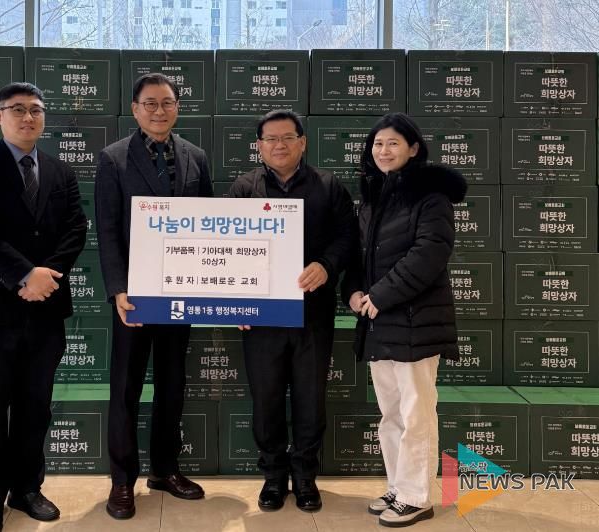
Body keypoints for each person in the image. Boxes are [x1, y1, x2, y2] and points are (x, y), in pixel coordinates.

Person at [0, 82, 87, 532]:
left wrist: (47, 276)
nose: (28, 117)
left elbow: (75, 230)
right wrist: (24, 275)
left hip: (45, 308)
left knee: (35, 405)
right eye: (17, 109)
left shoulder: (61, 172)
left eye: (36, 109)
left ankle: (28, 489)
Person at [95, 73, 213, 520]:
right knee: (125, 387)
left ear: (177, 107)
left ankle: (165, 470)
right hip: (135, 295)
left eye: (167, 102)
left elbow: (207, 223)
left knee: (172, 384)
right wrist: (117, 289)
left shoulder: (196, 157)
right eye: (150, 103)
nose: (159, 111)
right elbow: (107, 230)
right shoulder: (113, 159)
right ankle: (122, 481)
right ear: (135, 109)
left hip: (180, 290)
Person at [229, 110, 358, 512]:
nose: (279, 145)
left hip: (312, 313)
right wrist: (236, 300)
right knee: (265, 398)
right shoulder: (244, 188)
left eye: (287, 137)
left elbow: (348, 237)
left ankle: (304, 476)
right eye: (270, 139)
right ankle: (273, 476)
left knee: (310, 398)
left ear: (303, 142)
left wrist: (327, 265)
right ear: (259, 146)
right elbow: (226, 248)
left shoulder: (328, 186)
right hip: (260, 315)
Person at [341, 112, 466, 527]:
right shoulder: (374, 196)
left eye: (393, 143)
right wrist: (353, 291)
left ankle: (417, 496)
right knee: (392, 413)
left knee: (416, 413)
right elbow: (362, 257)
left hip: (416, 320)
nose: (383, 150)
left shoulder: (431, 196)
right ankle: (398, 487)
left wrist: (381, 295)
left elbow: (429, 253)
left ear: (413, 149)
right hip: (379, 322)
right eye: (378, 144)